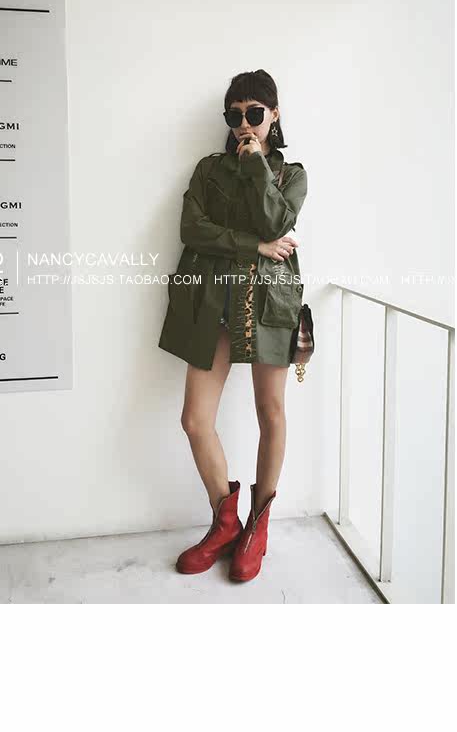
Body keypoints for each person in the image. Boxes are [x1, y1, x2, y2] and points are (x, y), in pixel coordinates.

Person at [157, 69, 308, 582]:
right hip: (212, 300)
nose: (244, 123)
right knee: (194, 419)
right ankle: (225, 523)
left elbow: (277, 223)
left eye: (254, 113)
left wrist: (257, 166)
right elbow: (191, 229)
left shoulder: (291, 175)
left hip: (268, 301)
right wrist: (255, 247)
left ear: (274, 114)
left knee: (271, 412)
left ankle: (257, 529)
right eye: (235, 114)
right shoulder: (208, 170)